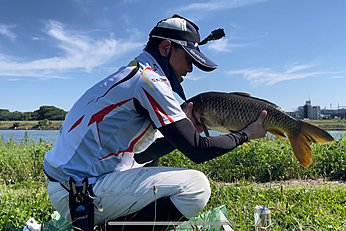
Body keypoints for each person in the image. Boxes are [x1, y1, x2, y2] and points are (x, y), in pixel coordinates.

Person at [43, 14, 268, 231]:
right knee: (196, 187)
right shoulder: (150, 81)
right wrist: (246, 134)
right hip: (79, 194)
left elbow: (142, 156)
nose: (190, 69)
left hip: (72, 188)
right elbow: (198, 151)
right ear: (165, 48)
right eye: (188, 60)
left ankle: (115, 225)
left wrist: (184, 130)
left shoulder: (133, 73)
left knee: (153, 164)